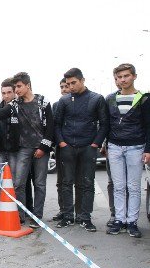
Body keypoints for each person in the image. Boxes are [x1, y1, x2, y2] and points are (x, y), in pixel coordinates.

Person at [0, 72, 54, 228]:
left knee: (39, 184)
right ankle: (20, 215)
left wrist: (43, 147)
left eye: (19, 86)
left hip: (41, 149)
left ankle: (37, 217)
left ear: (28, 85)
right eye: (16, 87)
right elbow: (2, 112)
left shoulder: (43, 102)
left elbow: (50, 128)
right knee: (19, 183)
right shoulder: (15, 104)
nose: (17, 90)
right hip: (23, 149)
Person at [54, 68, 108, 232]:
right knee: (66, 182)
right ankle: (68, 216)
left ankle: (85, 217)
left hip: (88, 147)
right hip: (68, 147)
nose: (70, 86)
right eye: (68, 84)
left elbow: (104, 124)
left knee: (87, 183)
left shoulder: (96, 99)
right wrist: (62, 143)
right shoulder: (63, 101)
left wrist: (95, 144)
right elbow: (56, 124)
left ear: (82, 80)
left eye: (73, 83)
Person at [104, 63, 150, 237]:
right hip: (114, 147)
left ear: (134, 76)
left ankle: (132, 222)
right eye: (119, 77)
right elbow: (106, 124)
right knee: (118, 186)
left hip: (136, 147)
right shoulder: (110, 98)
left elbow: (148, 126)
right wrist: (104, 145)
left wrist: (148, 149)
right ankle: (119, 220)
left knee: (133, 186)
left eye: (126, 76)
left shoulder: (144, 99)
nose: (122, 80)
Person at [0, 78, 15, 216]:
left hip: (16, 151)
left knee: (16, 182)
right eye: (3, 93)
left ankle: (18, 209)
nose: (6, 96)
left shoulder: (19, 108)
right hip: (0, 150)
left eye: (9, 92)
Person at [52, 78, 72, 222]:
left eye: (67, 86)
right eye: (62, 87)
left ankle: (77, 213)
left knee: (77, 182)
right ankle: (63, 210)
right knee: (61, 182)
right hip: (61, 147)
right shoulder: (56, 105)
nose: (64, 89)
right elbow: (54, 126)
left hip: (78, 147)